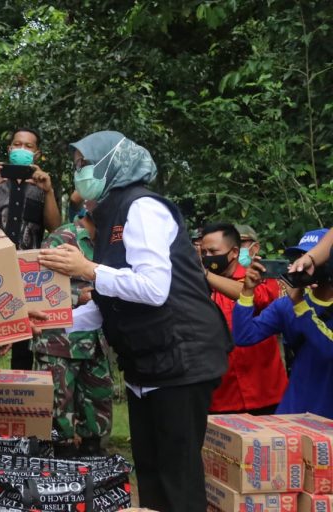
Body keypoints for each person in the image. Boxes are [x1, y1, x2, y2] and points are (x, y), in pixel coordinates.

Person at [39, 130, 231, 512]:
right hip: (148, 361)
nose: (79, 174)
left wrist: (87, 268)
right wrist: (49, 322)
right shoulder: (109, 213)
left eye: (84, 165)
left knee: (177, 475)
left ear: (111, 166)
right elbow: (112, 298)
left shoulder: (142, 208)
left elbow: (153, 288)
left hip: (182, 357)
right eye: (77, 166)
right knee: (151, 471)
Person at [33, 212, 113, 458]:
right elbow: (37, 286)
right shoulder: (62, 239)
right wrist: (81, 296)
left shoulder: (109, 241)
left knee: (98, 402)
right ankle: (58, 465)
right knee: (57, 409)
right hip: (58, 342)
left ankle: (92, 459)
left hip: (95, 339)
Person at [0, 129, 61, 370]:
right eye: (18, 144)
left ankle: (21, 394)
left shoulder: (42, 185)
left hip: (27, 271)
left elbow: (54, 226)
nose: (22, 150)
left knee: (25, 343)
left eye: (28, 146)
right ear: (9, 149)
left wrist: (48, 191)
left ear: (37, 153)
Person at [233, 229, 333, 418]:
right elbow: (244, 336)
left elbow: (328, 350)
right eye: (299, 257)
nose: (303, 264)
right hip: (293, 411)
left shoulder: (295, 303)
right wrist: (247, 291)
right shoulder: (285, 305)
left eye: (311, 257)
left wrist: (300, 305)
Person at [200, 222, 287, 414]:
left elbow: (255, 297)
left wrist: (205, 275)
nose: (207, 257)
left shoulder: (259, 277)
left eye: (213, 252)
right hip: (221, 396)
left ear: (233, 252)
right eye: (203, 252)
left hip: (266, 392)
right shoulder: (199, 286)